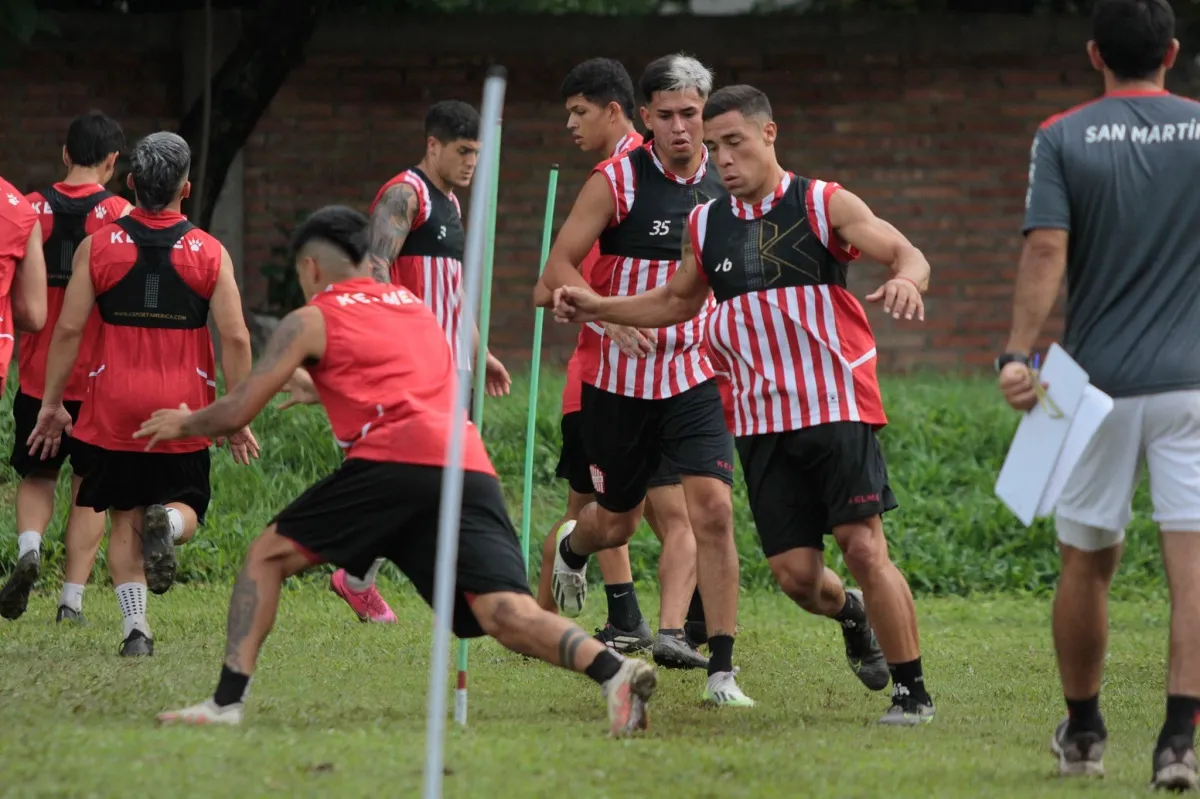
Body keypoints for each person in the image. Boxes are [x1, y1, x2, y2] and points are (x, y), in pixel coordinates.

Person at [140, 205, 658, 734]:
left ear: (312, 268)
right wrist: (315, 387)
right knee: (504, 611)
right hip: (464, 462)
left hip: (393, 462)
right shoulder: (414, 307)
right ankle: (614, 671)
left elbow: (237, 410)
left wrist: (186, 422)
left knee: (265, 556)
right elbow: (398, 386)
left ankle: (226, 703)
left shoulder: (312, 317)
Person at [552, 84, 938, 726]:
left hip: (835, 404)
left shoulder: (820, 203)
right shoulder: (705, 224)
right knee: (795, 576)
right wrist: (599, 307)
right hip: (760, 422)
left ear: (768, 135)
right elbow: (677, 301)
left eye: (734, 143)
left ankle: (912, 693)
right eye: (714, 147)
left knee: (864, 547)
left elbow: (906, 251)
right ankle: (851, 613)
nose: (722, 159)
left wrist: (904, 278)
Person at [998, 0, 1199, 787]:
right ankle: (1179, 742)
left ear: (1093, 54)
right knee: (1192, 568)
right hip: (1192, 382)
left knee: (1087, 562)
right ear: (1172, 52)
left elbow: (1047, 245)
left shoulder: (1062, 134)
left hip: (1093, 384)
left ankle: (1083, 733)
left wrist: (1018, 350)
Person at [537, 53, 752, 706]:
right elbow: (556, 267)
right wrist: (606, 318)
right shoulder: (617, 181)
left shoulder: (727, 182)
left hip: (693, 377)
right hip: (616, 380)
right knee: (616, 525)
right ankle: (573, 548)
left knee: (711, 509)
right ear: (646, 118)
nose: (683, 128)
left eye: (693, 114)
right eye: (668, 116)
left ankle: (721, 670)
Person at [26, 131, 256, 656]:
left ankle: (136, 631)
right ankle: (170, 524)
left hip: (113, 408)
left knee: (124, 515)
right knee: (189, 503)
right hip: (184, 410)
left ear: (130, 184)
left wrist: (52, 403)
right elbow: (237, 337)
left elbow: (66, 330)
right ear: (186, 188)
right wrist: (236, 413)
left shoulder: (98, 246)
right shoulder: (212, 254)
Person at [329, 99, 512, 624]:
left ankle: (358, 575)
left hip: (455, 366)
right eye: (462, 151)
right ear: (433, 145)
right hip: (416, 366)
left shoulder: (452, 204)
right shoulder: (406, 194)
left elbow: (453, 294)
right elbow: (375, 269)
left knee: (443, 480)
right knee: (428, 479)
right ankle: (440, 582)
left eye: (478, 153)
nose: (471, 162)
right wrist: (397, 343)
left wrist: (484, 352)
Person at [1, 112, 132, 624]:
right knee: (87, 490)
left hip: (37, 373)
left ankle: (30, 547)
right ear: (112, 162)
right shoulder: (121, 216)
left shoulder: (27, 209)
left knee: (37, 474)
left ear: (64, 154)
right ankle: (71, 600)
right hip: (96, 382)